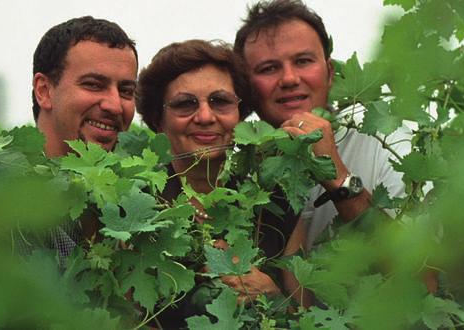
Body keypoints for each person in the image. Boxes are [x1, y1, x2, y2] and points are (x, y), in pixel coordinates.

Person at [136, 39, 306, 326]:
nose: (205, 116)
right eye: (185, 104)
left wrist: (272, 295)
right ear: (158, 119)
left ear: (239, 113)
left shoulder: (277, 201)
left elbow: (307, 318)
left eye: (220, 101)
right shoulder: (138, 206)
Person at [233, 0, 410, 250]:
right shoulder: (241, 170)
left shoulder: (384, 142)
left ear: (329, 73)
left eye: (303, 61)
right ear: (247, 87)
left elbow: (422, 279)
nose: (290, 79)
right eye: (269, 68)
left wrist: (339, 178)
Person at [29, 16, 138, 261]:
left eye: (126, 91)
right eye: (93, 85)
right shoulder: (3, 204)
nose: (115, 105)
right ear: (44, 91)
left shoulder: (133, 204)